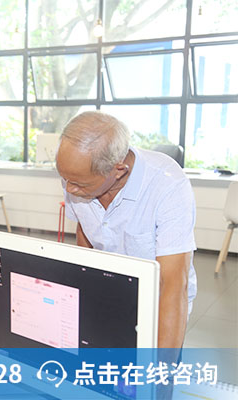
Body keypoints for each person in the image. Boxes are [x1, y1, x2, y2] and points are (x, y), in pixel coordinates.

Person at [55, 111, 197, 348]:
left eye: (78, 184)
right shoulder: (77, 175)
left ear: (118, 171)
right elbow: (85, 227)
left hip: (156, 301)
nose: (69, 189)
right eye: (65, 179)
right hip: (106, 295)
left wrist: (162, 368)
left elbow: (173, 284)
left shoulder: (167, 185)